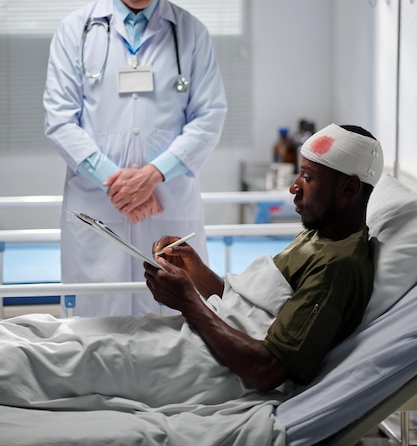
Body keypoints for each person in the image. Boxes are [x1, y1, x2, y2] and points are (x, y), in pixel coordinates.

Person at [0, 123, 384, 409]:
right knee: (48, 329)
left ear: (350, 188)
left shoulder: (339, 265)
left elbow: (267, 370)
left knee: (64, 356)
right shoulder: (320, 235)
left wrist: (189, 303)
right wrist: (195, 270)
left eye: (308, 177)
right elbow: (252, 310)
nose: (294, 187)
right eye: (300, 174)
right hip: (207, 338)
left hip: (213, 367)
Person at [43, 0, 227, 317]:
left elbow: (209, 116)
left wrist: (153, 175)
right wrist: (117, 183)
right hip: (100, 203)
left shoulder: (191, 32)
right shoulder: (75, 30)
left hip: (166, 199)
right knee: (95, 328)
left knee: (173, 326)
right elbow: (59, 119)